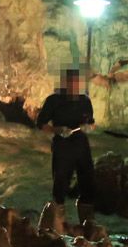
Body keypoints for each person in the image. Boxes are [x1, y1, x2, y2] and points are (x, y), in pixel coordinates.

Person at [36, 69, 96, 222]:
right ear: (64, 83)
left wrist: (89, 127)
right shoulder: (54, 100)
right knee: (61, 182)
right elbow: (41, 123)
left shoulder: (84, 100)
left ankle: (86, 221)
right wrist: (56, 130)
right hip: (62, 145)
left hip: (81, 145)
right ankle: (58, 221)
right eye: (71, 83)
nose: (75, 87)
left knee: (88, 181)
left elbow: (91, 122)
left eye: (77, 84)